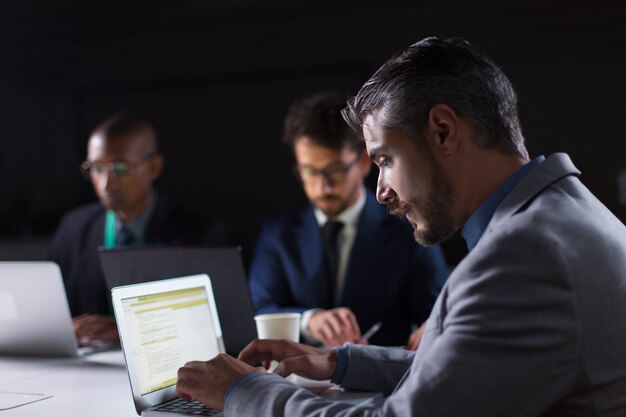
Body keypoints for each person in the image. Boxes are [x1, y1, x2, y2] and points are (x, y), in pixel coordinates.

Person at [175, 37, 626, 416]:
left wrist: (243, 392)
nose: (381, 191)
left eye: (385, 160)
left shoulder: (522, 258)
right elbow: (467, 372)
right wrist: (338, 362)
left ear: (444, 131)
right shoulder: (558, 215)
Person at [248, 91, 449, 348]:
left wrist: (431, 329)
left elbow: (438, 313)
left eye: (335, 170)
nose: (323, 186)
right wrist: (309, 319)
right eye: (309, 171)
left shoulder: (409, 230)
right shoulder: (278, 233)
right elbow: (259, 308)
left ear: (364, 163)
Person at [49, 113, 226, 345]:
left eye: (120, 168)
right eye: (96, 168)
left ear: (153, 167)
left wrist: (127, 331)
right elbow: (52, 307)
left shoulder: (196, 233)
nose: (105, 183)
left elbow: (210, 322)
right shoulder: (74, 228)